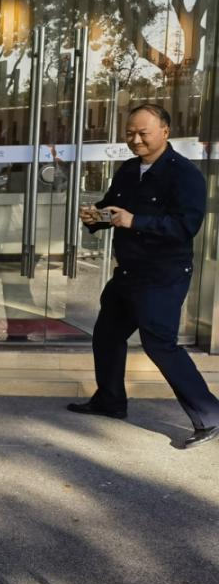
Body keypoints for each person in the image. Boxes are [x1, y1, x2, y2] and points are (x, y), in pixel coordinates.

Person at [68, 103, 219, 448]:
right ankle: (110, 400)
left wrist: (136, 221)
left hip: (162, 275)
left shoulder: (184, 175)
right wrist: (96, 217)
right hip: (127, 272)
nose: (135, 140)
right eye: (130, 133)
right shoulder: (128, 170)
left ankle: (209, 415)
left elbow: (186, 226)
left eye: (143, 133)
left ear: (165, 131)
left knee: (159, 344)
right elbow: (114, 209)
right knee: (106, 334)